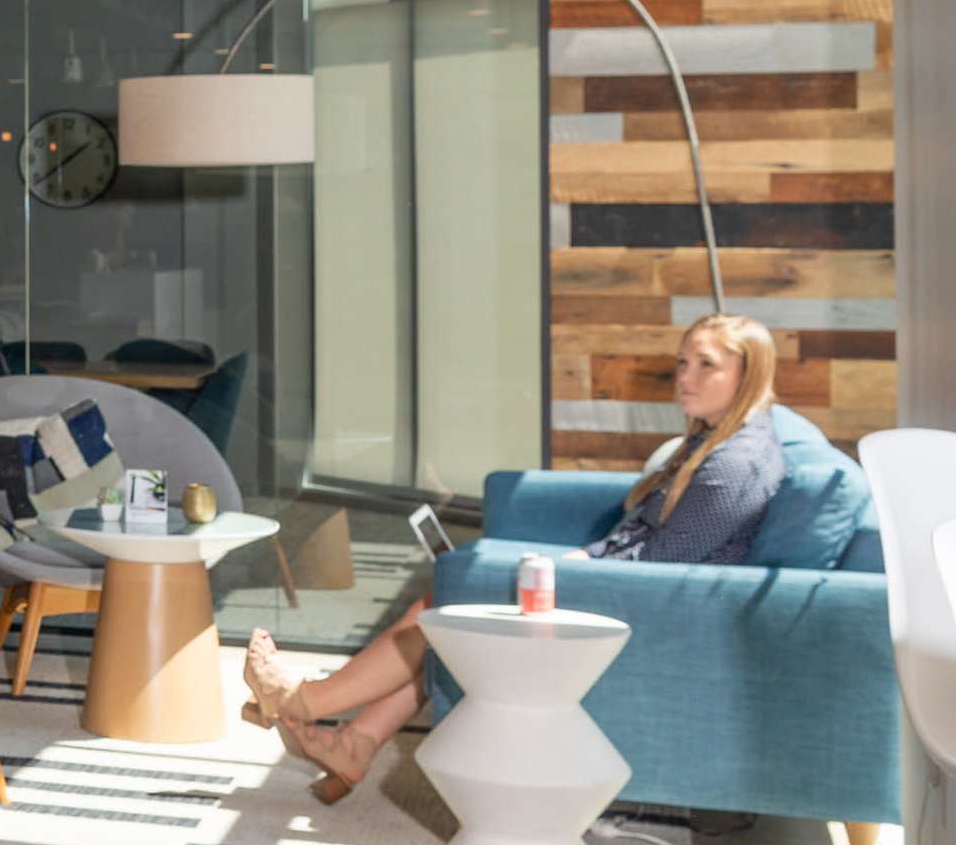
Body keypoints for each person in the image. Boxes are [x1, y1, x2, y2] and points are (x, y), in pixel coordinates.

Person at [244, 313, 790, 803]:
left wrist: (580, 570)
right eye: (681, 363)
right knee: (447, 612)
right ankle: (357, 742)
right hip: (627, 586)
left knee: (444, 606)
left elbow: (657, 570)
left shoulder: (733, 467)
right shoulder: (715, 441)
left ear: (748, 375)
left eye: (705, 366)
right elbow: (640, 542)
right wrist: (583, 556)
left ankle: (305, 702)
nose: (685, 378)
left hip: (645, 611)